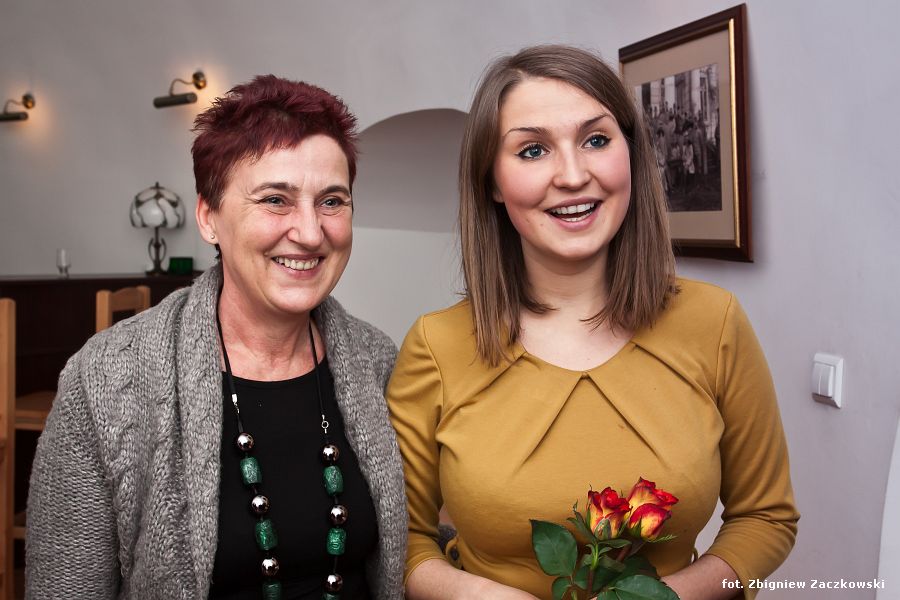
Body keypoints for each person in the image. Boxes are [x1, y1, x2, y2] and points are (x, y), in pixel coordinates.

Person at [387, 45, 798, 600]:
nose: (573, 175)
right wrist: (478, 596)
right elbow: (404, 544)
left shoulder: (714, 322)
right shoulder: (437, 346)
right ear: (492, 182)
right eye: (533, 150)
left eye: (596, 140)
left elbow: (766, 518)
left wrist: (666, 597)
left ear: (631, 155)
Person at [26, 75, 407, 599]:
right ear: (209, 217)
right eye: (275, 199)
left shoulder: (378, 361)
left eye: (332, 201)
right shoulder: (107, 379)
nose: (310, 232)